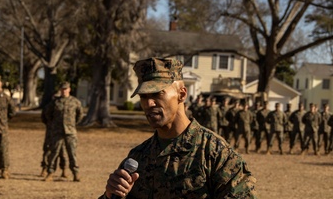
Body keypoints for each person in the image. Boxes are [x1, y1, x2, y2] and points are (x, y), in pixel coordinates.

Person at [99, 57, 257, 198]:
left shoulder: (215, 153)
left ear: (182, 94)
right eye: (143, 96)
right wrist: (110, 195)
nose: (148, 104)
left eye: (157, 94)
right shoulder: (138, 156)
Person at [44, 82, 83, 182]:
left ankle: (75, 173)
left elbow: (80, 115)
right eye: (62, 89)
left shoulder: (75, 102)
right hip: (57, 132)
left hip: (70, 132)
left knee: (72, 153)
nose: (64, 91)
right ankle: (50, 173)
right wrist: (53, 125)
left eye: (66, 89)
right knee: (54, 153)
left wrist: (72, 124)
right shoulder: (55, 102)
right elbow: (47, 114)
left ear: (69, 89)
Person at [40, 100, 69, 178]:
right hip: (51, 131)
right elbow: (45, 116)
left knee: (63, 151)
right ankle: (45, 168)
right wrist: (52, 124)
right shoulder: (52, 103)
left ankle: (64, 170)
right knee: (48, 151)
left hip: (63, 131)